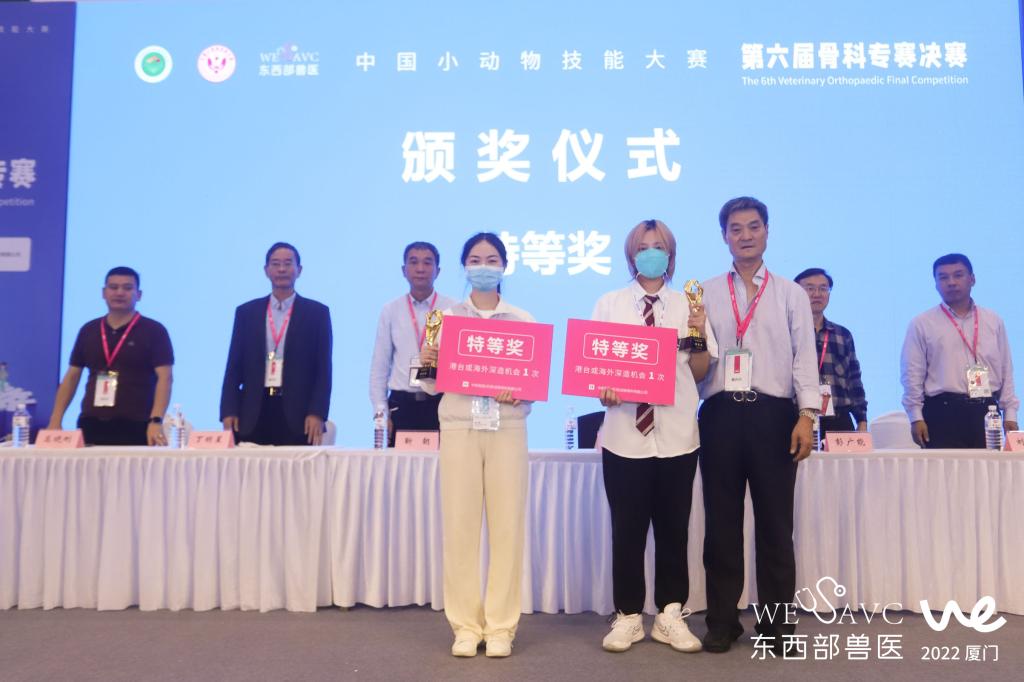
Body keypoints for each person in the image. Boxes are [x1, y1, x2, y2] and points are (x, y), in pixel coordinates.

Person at [698, 197, 819, 654]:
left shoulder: (790, 293)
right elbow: (698, 358)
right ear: (724, 236)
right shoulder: (704, 292)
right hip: (721, 414)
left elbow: (804, 358)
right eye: (736, 228)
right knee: (721, 525)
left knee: (775, 526)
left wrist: (807, 415)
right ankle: (722, 623)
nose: (745, 235)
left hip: (774, 415)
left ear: (767, 231)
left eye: (753, 226)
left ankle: (777, 627)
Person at [593, 219, 716, 654]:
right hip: (624, 436)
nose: (651, 253)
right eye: (644, 247)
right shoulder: (610, 304)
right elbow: (595, 368)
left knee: (673, 530)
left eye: (659, 246)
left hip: (677, 435)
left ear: (671, 254)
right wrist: (604, 387)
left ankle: (669, 613)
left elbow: (700, 373)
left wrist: (697, 335)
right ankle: (628, 615)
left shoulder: (689, 305)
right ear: (632, 255)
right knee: (626, 531)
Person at [419, 232, 533, 658]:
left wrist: (519, 392)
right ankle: (465, 626)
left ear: (504, 266)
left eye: (491, 259)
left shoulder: (522, 319)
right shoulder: (444, 319)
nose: (483, 266)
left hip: (506, 426)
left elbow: (532, 384)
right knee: (460, 526)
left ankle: (501, 626)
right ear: (464, 266)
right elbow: (428, 384)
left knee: (507, 528)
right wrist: (428, 361)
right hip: (459, 425)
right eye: (475, 259)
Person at [900, 253, 1018, 448]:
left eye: (958, 275)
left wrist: (1010, 413)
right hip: (942, 412)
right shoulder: (922, 323)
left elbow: (1006, 369)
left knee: (987, 468)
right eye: (943, 277)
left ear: (972, 279)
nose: (951, 282)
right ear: (936, 284)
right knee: (943, 469)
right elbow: (912, 374)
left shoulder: (993, 320)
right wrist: (915, 417)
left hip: (987, 412)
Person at [220, 242, 332, 446]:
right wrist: (228, 410)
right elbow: (233, 366)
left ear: (299, 270)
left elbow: (323, 370)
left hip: (299, 415)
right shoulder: (246, 312)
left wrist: (317, 412)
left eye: (288, 264)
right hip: (252, 412)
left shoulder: (317, 313)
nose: (282, 269)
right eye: (275, 264)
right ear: (266, 270)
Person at [48, 266, 173, 446]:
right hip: (91, 422)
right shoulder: (89, 330)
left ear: (139, 295)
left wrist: (156, 421)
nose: (119, 292)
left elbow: (165, 378)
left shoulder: (154, 331)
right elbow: (72, 377)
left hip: (137, 424)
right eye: (113, 287)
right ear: (103, 293)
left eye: (127, 288)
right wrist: (56, 419)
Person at [369, 242, 456, 446]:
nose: (420, 269)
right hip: (401, 406)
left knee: (444, 466)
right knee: (400, 466)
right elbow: (380, 367)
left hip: (441, 405)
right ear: (403, 270)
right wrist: (381, 412)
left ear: (438, 271)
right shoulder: (391, 310)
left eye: (427, 263)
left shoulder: (452, 309)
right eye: (414, 262)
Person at [794, 268, 868, 434]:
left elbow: (854, 380)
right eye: (810, 288)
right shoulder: (787, 332)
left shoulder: (842, 334)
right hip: (797, 418)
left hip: (838, 419)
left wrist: (862, 420)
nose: (817, 294)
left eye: (823, 288)